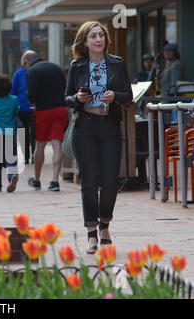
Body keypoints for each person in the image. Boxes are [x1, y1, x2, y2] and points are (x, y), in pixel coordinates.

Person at [64, 21, 132, 254]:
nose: (98, 39)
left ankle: (105, 225)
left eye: (101, 35)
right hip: (85, 128)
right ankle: (92, 233)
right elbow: (67, 98)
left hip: (110, 126)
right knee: (89, 182)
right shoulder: (77, 65)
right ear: (85, 42)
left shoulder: (117, 63)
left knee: (111, 181)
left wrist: (115, 96)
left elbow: (128, 96)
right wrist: (77, 99)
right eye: (93, 36)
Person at [24, 50, 68, 192]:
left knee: (40, 145)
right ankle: (55, 181)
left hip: (42, 111)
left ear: (27, 62)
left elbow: (31, 96)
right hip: (60, 110)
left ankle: (37, 180)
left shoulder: (32, 71)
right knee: (57, 144)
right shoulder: (57, 68)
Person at [0, 74, 20, 193]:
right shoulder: (14, 100)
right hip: (10, 131)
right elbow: (16, 112)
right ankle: (12, 178)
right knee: (11, 157)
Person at [11, 55, 35, 164]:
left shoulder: (37, 72)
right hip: (22, 108)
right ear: (26, 61)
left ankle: (34, 155)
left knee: (35, 133)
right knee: (23, 133)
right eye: (32, 60)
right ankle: (26, 156)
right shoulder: (18, 74)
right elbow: (13, 92)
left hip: (36, 108)